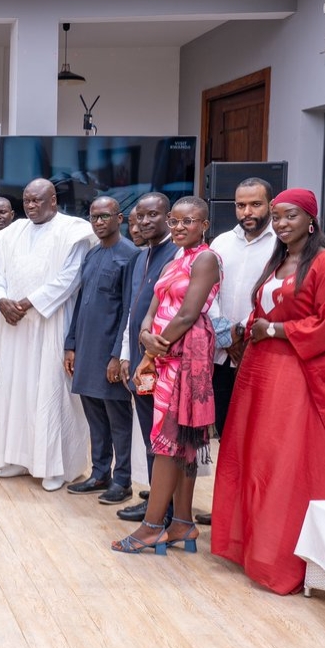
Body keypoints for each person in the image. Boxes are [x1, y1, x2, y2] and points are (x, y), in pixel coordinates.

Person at [212, 189, 325, 594]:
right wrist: (249, 327)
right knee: (251, 458)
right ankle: (247, 548)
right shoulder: (277, 260)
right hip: (257, 373)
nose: (280, 223)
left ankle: (278, 562)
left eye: (289, 215)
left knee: (283, 464)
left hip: (295, 376)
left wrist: (276, 330)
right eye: (276, 217)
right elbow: (264, 307)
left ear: (311, 219)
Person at [112, 196, 220, 555]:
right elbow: (154, 305)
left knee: (168, 443)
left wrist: (152, 348)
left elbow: (189, 314)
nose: (178, 228)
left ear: (203, 225)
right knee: (178, 444)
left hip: (185, 358)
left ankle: (152, 526)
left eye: (187, 222)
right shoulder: (175, 257)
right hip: (163, 356)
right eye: (174, 221)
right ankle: (183, 523)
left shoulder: (206, 258)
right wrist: (144, 333)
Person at [0, 178, 93, 491]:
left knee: (51, 392)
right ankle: (15, 459)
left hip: (51, 323)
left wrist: (29, 302)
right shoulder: (11, 232)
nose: (31, 206)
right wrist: (1, 300)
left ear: (53, 201)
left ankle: (54, 468)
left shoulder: (74, 230)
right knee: (12, 391)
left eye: (37, 201)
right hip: (14, 326)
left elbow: (70, 278)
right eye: (27, 201)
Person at [195, 177, 276, 526]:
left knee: (256, 436)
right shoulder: (221, 243)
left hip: (259, 353)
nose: (248, 212)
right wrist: (228, 336)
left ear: (269, 204)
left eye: (255, 204)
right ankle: (226, 509)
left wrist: (243, 333)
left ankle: (253, 512)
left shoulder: (280, 244)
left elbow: (274, 296)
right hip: (220, 353)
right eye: (241, 205)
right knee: (226, 435)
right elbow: (208, 293)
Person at [63, 197, 140, 504]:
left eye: (105, 216)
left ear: (119, 218)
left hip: (109, 352)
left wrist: (116, 356)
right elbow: (81, 304)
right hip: (85, 348)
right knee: (94, 415)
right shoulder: (93, 254)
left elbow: (129, 310)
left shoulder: (130, 256)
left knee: (117, 418)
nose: (98, 222)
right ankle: (99, 474)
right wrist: (71, 345)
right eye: (94, 216)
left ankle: (122, 481)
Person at [116, 192, 177, 523]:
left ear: (167, 217)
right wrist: (126, 354)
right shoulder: (141, 257)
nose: (144, 221)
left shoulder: (179, 255)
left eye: (153, 215)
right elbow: (131, 310)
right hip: (140, 364)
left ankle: (165, 510)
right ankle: (156, 502)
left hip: (165, 363)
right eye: (140, 216)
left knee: (165, 439)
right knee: (150, 436)